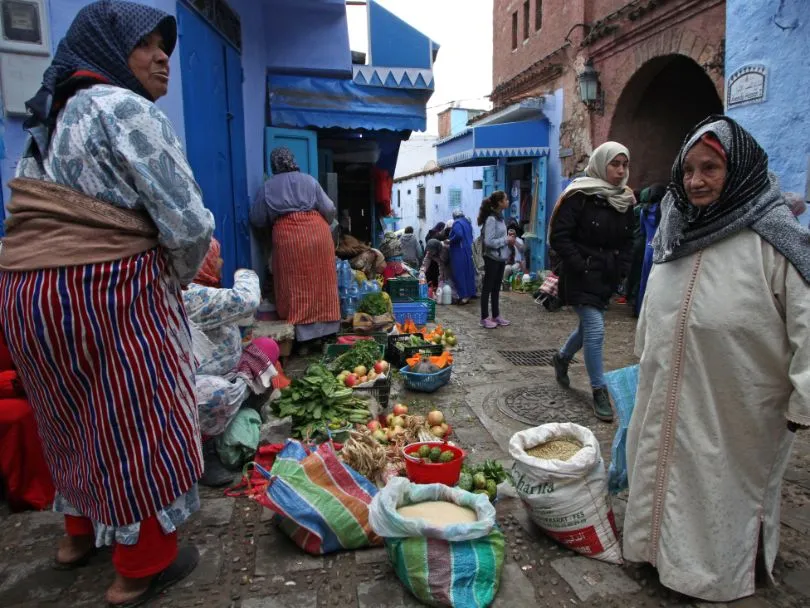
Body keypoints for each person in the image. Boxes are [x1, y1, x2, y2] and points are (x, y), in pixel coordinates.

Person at [0, 2, 215, 604]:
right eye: (143, 44)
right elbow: (189, 222)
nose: (162, 56)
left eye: (163, 45)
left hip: (27, 294)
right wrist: (172, 281)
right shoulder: (124, 109)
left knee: (68, 416)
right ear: (104, 52)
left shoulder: (49, 121)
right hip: (107, 289)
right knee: (137, 421)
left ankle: (76, 539)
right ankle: (139, 568)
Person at [624, 116, 810, 602]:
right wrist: (645, 352)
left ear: (741, 169)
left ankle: (714, 577)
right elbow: (654, 304)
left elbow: (808, 323)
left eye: (711, 168)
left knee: (718, 487)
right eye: (688, 170)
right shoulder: (677, 231)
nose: (696, 181)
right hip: (664, 386)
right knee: (659, 465)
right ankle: (655, 554)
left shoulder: (777, 240)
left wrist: (803, 401)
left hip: (739, 404)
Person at [549, 142, 635, 422]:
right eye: (614, 164)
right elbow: (560, 236)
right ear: (601, 164)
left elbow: (629, 241)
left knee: (587, 328)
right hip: (580, 275)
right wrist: (581, 264)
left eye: (624, 164)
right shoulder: (579, 195)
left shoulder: (624, 199)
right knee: (596, 330)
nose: (620, 170)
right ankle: (599, 390)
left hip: (606, 277)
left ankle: (562, 358)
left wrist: (621, 269)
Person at [182, 239, 280, 487]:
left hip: (230, 373)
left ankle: (241, 410)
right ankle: (205, 450)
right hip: (200, 386)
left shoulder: (208, 291)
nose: (222, 263)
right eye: (216, 258)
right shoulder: (190, 295)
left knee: (266, 347)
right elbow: (246, 300)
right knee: (217, 393)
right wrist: (245, 273)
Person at [250, 148, 341, 347]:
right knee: (322, 281)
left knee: (295, 284)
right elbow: (329, 208)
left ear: (274, 164)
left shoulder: (268, 186)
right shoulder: (309, 180)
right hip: (318, 234)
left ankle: (302, 338)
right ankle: (327, 333)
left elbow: (257, 218)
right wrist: (322, 222)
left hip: (288, 237)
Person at [477, 191, 513, 328]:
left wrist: (508, 236)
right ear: (499, 203)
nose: (508, 201)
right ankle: (484, 317)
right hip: (491, 258)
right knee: (488, 287)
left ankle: (496, 315)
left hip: (500, 258)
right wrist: (506, 240)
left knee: (497, 288)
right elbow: (489, 241)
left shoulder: (500, 218)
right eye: (506, 199)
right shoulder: (492, 219)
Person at [633, 184, 666, 317]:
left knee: (644, 281)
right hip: (661, 249)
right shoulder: (665, 211)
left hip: (648, 247)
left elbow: (642, 230)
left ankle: (640, 309)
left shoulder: (643, 211)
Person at [448, 209, 476, 304]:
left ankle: (463, 296)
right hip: (469, 250)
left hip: (459, 251)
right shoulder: (467, 223)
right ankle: (470, 293)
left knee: (459, 273)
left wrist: (450, 240)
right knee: (468, 272)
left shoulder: (457, 223)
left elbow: (459, 235)